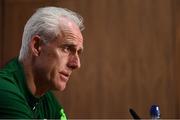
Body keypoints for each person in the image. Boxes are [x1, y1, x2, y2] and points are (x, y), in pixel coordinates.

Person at [0, 6, 84, 119]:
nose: (76, 64)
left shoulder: (46, 98)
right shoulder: (4, 90)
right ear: (37, 46)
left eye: (79, 52)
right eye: (67, 49)